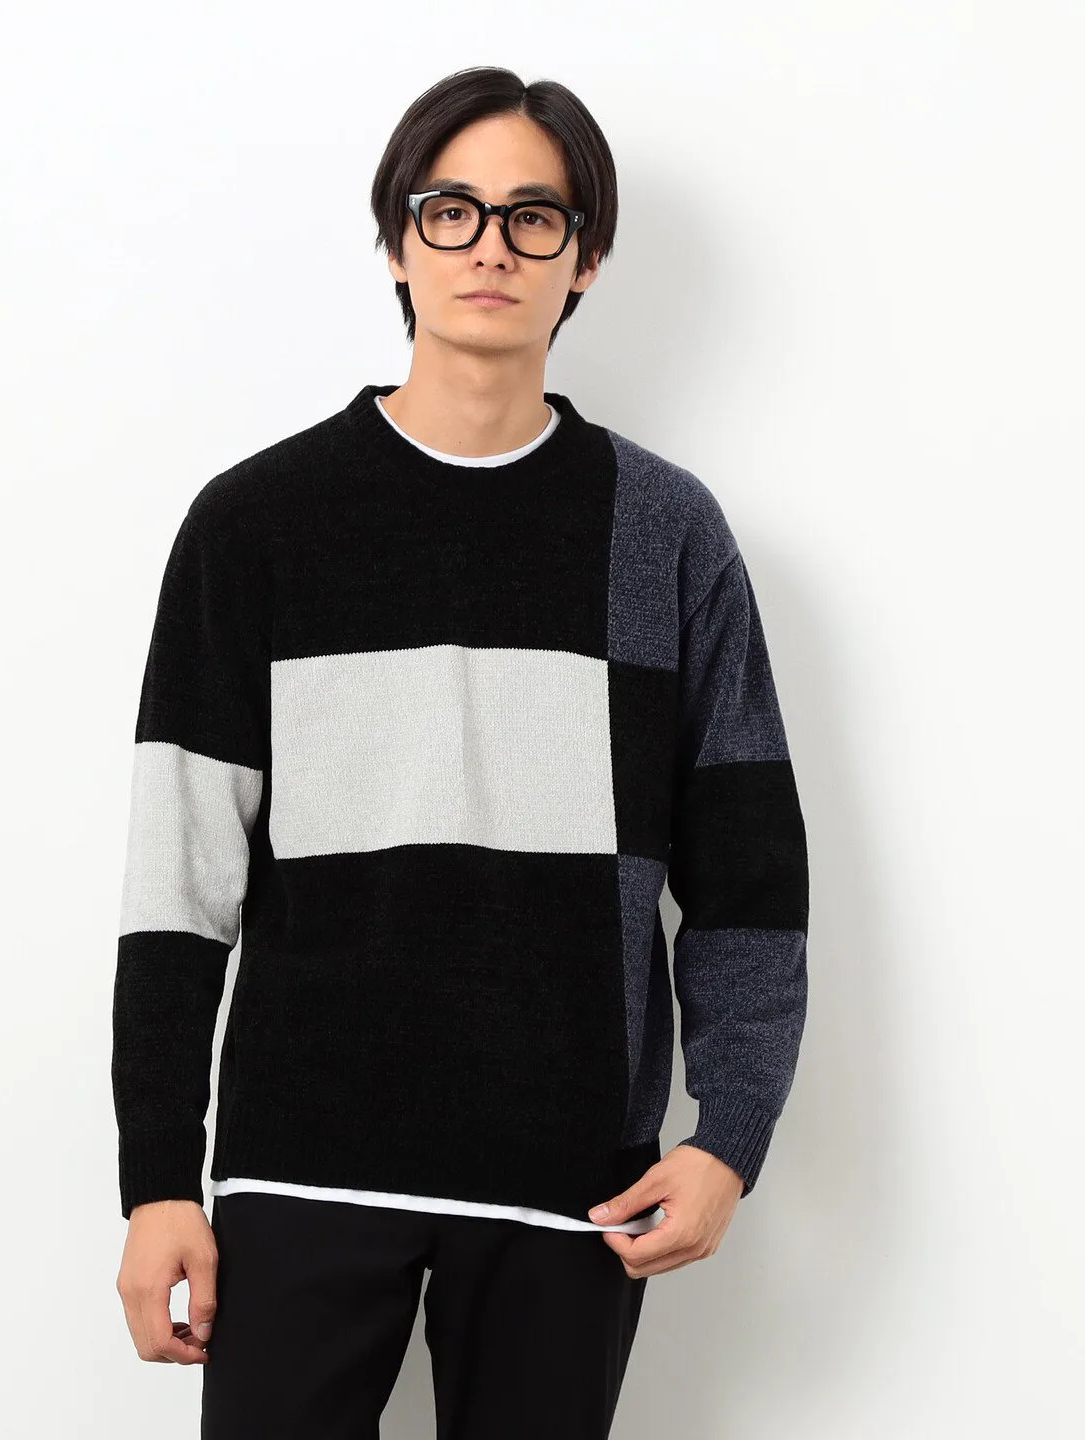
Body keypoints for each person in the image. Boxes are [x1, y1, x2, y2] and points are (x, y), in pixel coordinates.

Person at [112, 64, 809, 1439]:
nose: (491, 245)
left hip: (571, 1182)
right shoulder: (259, 523)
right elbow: (177, 886)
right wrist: (157, 1182)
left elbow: (746, 873)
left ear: (584, 262)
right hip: (301, 1169)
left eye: (534, 217)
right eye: (452, 210)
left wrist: (730, 1132)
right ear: (398, 242)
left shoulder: (661, 532)